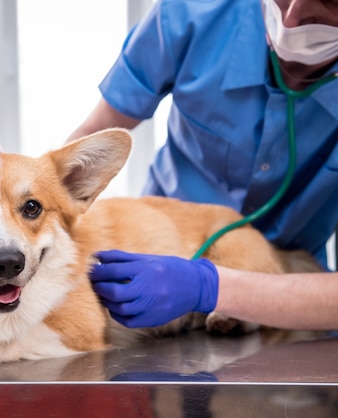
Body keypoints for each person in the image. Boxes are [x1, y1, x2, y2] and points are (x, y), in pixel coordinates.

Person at [71, 0, 338, 330]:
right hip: (155, 259)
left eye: (329, 4)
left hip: (289, 293)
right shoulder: (191, 12)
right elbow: (91, 139)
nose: (292, 17)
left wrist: (209, 287)